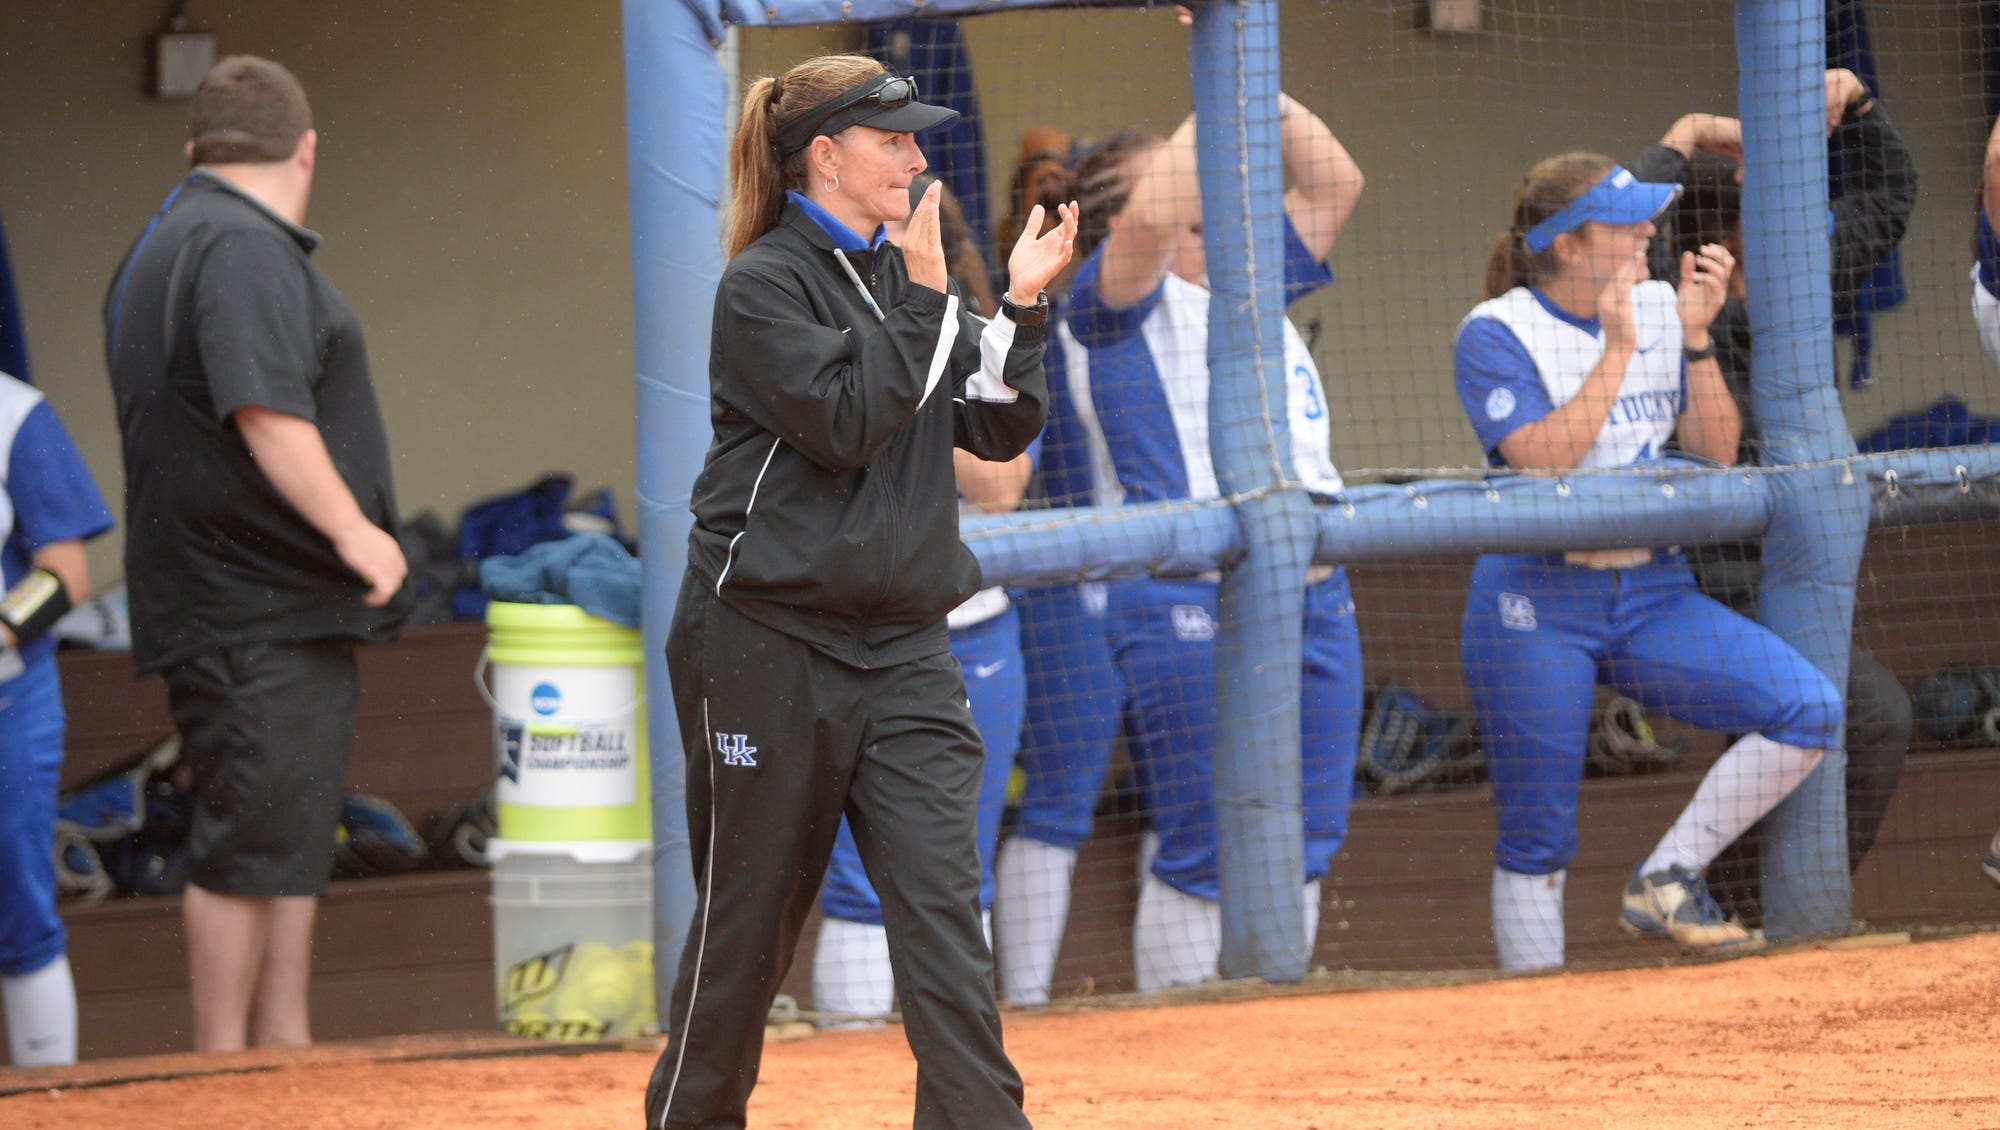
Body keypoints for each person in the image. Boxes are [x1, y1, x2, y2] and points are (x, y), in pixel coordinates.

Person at [643, 53, 1075, 1130]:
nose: (919, 158)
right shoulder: (761, 285)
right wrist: (933, 301)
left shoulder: (905, 276)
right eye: (895, 141)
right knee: (745, 934)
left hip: (904, 652)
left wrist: (1016, 306)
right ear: (823, 157)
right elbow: (848, 419)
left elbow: (994, 421)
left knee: (942, 922)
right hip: (761, 643)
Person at [1455, 152, 1844, 971]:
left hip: (1652, 590)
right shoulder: (1496, 329)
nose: (1647, 231)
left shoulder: (1662, 309)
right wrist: (1618, 348)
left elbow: (1718, 451)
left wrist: (1695, 339)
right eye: (1623, 220)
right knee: (1539, 832)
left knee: (1807, 706)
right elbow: (1540, 459)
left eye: (1645, 217)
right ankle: (1538, 1027)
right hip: (1536, 596)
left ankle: (1666, 874)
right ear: (1568, 244)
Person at [102, 55, 410, 1052]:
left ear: (198, 150)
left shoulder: (166, 237)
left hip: (237, 602)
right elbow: (266, 410)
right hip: (251, 604)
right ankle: (226, 1074)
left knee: (278, 832)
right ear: (305, 150)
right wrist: (358, 532)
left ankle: (281, 1055)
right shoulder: (237, 246)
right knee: (247, 838)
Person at [1062, 95, 1366, 993]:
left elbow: (1336, 179)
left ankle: (1277, 1026)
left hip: (1313, 584)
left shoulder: (1249, 275)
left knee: (1308, 830)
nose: (1224, 218)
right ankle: (1185, 1051)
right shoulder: (1114, 297)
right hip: (1184, 591)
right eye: (1200, 206)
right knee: (1204, 835)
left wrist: (1259, 86)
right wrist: (1213, 89)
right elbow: (1155, 216)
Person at [1633, 69, 1917, 926]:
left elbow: (1890, 190)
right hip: (1705, 577)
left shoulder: (1806, 283)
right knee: (1869, 714)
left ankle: (1745, 913)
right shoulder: (1668, 301)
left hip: (1797, 566)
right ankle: (1756, 910)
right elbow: (1633, 219)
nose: (1801, 217)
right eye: (1769, 203)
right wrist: (1684, 129)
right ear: (1721, 229)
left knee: (1825, 726)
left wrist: (1859, 105)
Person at [810, 178, 1031, 1024]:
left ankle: (956, 1080)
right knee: (864, 875)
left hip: (975, 628)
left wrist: (935, 340)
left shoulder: (974, 329)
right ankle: (850, 1080)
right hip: (858, 632)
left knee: (957, 863)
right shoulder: (816, 310)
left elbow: (1001, 482)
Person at [992, 128, 1130, 1008]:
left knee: (1192, 800)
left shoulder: (1170, 306)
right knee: (1060, 797)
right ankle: (1027, 1008)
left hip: (1154, 576)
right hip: (1058, 579)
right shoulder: (1057, 314)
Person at [0, 370, 112, 1067]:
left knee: (19, 907)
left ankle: (51, 1103)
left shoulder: (14, 412)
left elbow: (65, 572)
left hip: (9, 698)